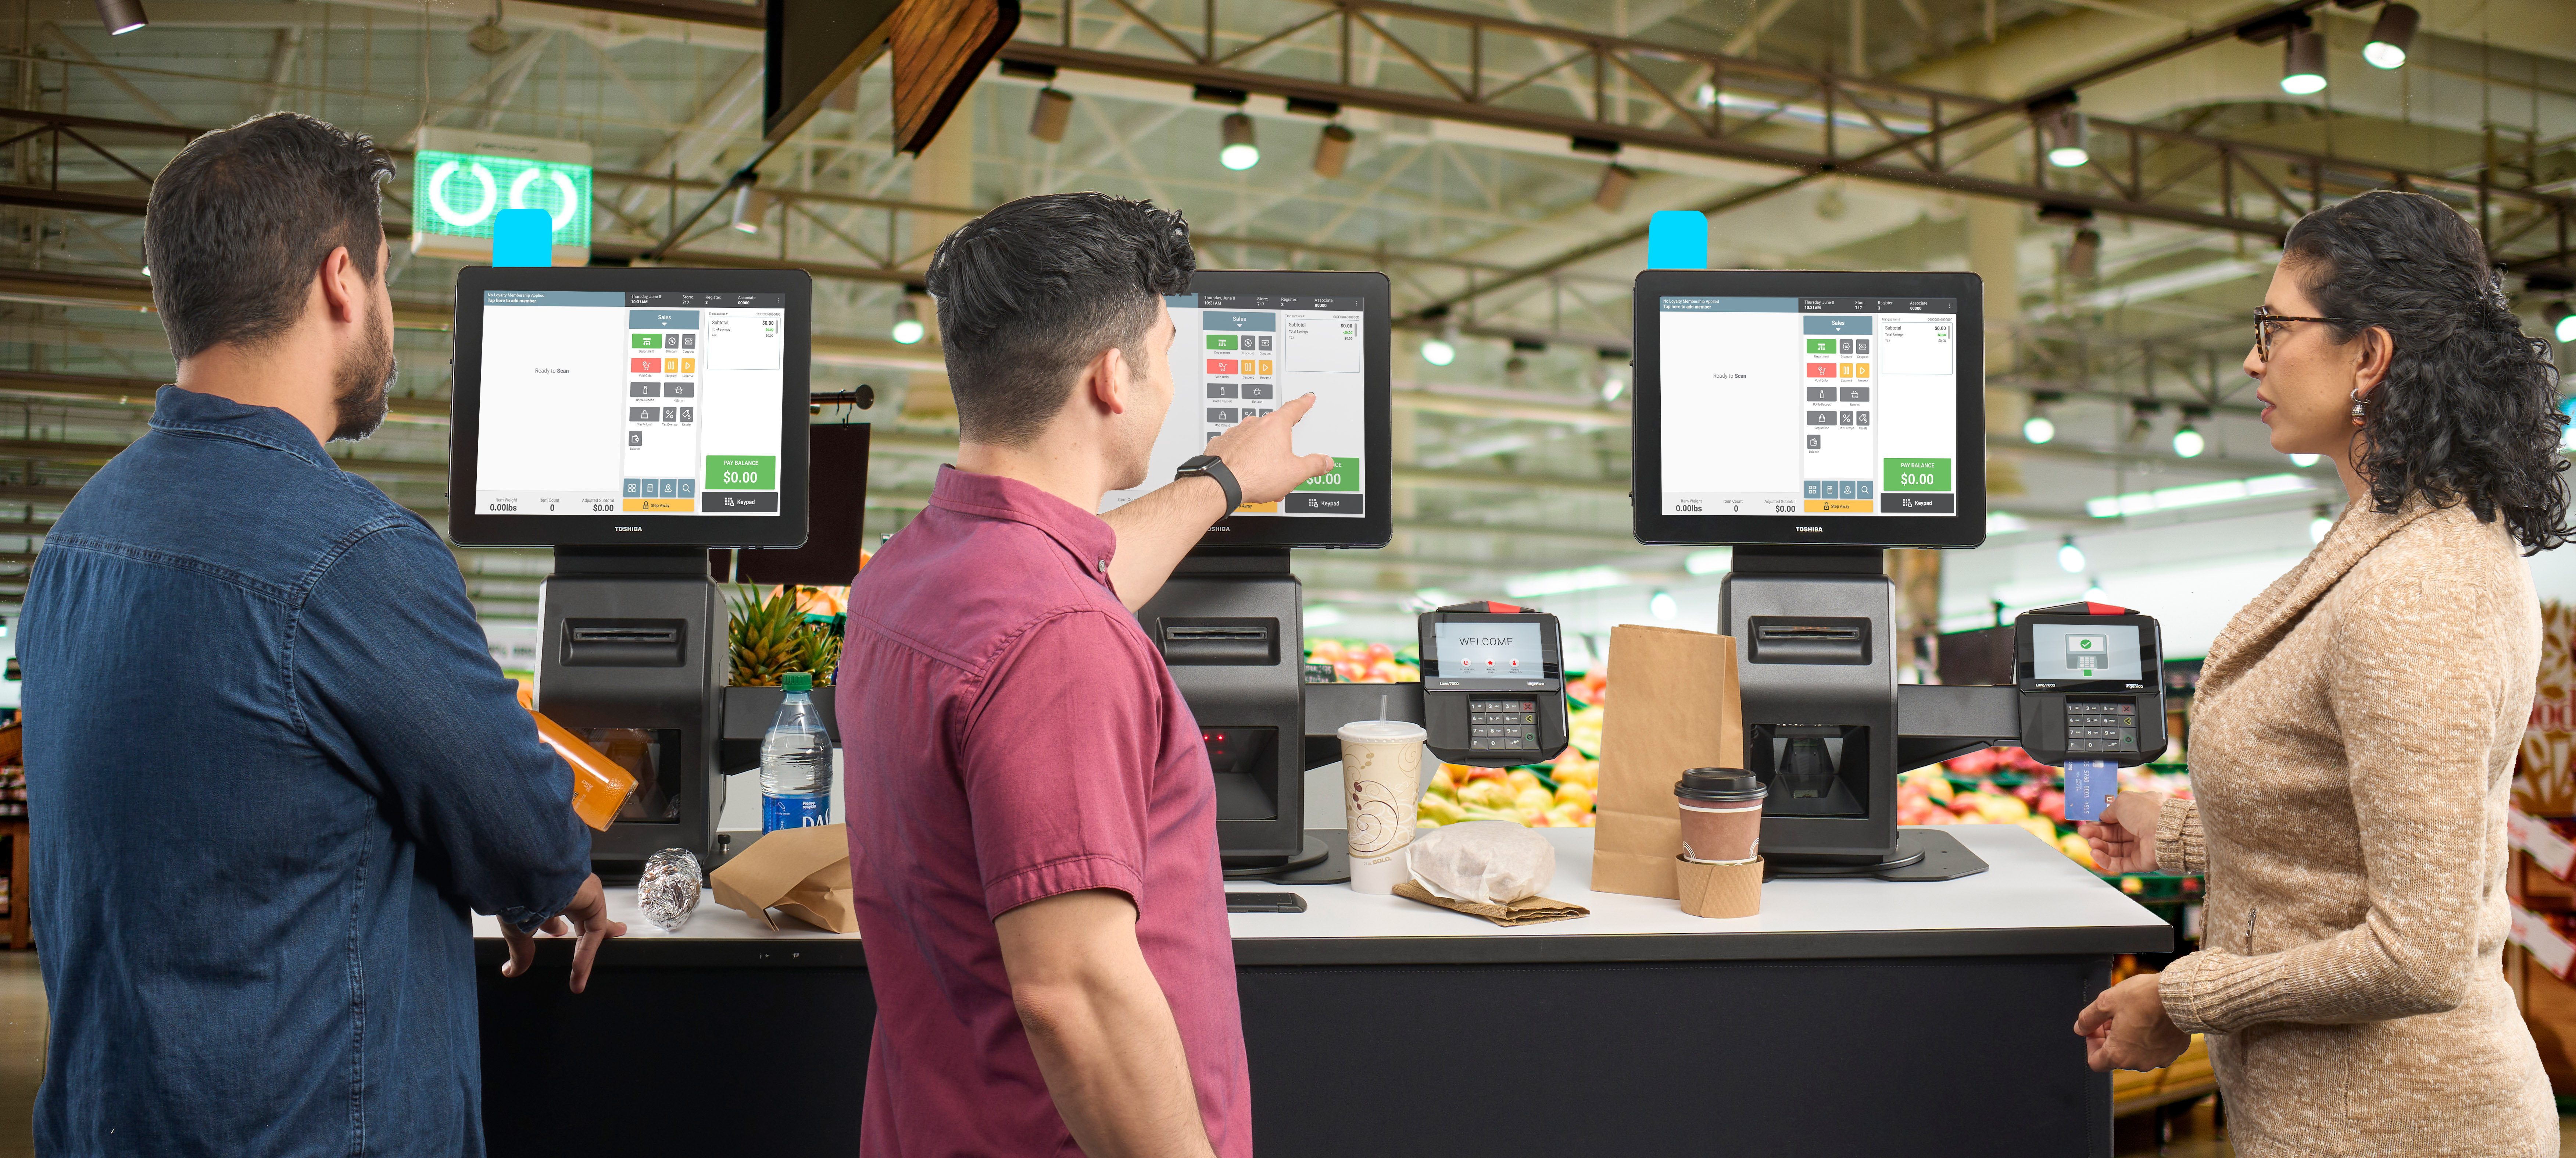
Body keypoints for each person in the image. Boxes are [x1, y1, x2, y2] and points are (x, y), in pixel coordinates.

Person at [19, 113, 621, 1155]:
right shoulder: (352, 557)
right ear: (342, 281)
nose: (387, 311)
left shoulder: (82, 535)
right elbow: (521, 829)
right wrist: (557, 876)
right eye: (386, 280)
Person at [838, 192, 1333, 1157]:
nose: (1167, 386)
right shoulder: (1057, 643)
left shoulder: (913, 573)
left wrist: (1217, 482)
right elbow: (1074, 996)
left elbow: (1081, 574)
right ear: (1114, 378)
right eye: (1166, 358)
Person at [2074, 189, 2568, 1155]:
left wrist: (2183, 995)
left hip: (2407, 1126)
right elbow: (2340, 840)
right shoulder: (2389, 537)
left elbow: (2418, 953)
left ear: (2369, 357)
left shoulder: (2418, 586)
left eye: (2275, 326)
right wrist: (2172, 828)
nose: (2254, 358)